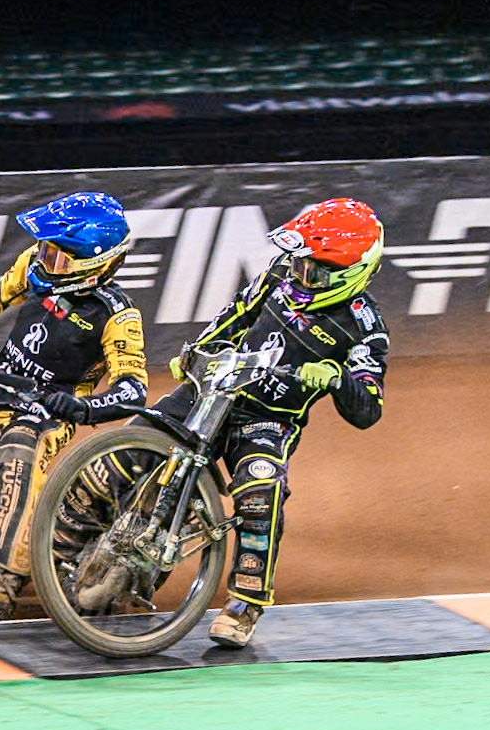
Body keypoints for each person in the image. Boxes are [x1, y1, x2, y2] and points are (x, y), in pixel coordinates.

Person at [148, 197, 388, 647]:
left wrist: (338, 378)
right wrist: (198, 351)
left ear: (349, 274)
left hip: (267, 421)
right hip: (215, 389)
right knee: (137, 446)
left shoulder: (365, 327)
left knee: (262, 491)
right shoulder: (283, 270)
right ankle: (63, 544)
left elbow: (369, 408)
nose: (298, 274)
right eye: (298, 264)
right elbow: (240, 312)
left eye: (311, 270)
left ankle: (245, 603)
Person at [0, 191, 149, 620]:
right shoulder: (38, 264)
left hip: (48, 413)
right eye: (45, 249)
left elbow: (133, 388)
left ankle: (0, 580)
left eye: (59, 256)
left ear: (95, 263)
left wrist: (82, 409)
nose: (45, 261)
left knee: (17, 452)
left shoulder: (119, 315)